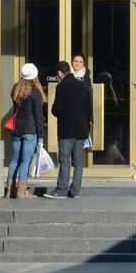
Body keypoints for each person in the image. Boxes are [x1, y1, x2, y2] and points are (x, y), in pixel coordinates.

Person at [44, 56, 92, 199]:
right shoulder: (83, 86)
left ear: (59, 73)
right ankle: (75, 190)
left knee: (64, 160)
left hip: (67, 130)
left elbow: (57, 109)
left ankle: (61, 189)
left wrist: (52, 109)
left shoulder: (61, 86)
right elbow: (89, 109)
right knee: (78, 162)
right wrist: (87, 127)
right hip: (81, 130)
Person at [4, 63, 46, 199]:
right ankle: (21, 191)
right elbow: (38, 116)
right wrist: (41, 136)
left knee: (14, 159)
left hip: (16, 129)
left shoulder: (15, 90)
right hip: (30, 130)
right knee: (25, 160)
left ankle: (10, 190)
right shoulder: (35, 93)